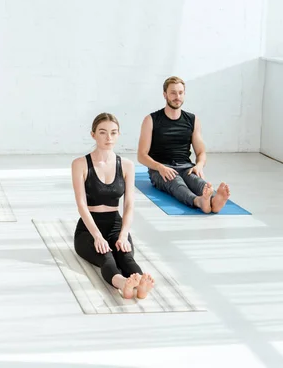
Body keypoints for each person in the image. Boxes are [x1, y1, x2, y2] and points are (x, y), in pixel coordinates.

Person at [72, 113, 154, 299]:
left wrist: (124, 234)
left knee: (125, 256)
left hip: (115, 224)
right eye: (103, 132)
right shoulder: (80, 164)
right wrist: (97, 237)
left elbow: (129, 204)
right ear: (93, 134)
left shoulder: (126, 165)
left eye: (113, 133)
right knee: (107, 257)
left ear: (118, 135)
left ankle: (141, 283)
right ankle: (123, 284)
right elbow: (81, 205)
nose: (108, 138)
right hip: (88, 229)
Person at [137, 76, 230, 213]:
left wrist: (199, 165)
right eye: (173, 93)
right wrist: (160, 167)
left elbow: (201, 152)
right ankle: (199, 201)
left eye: (180, 93)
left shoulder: (193, 120)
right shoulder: (151, 120)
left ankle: (214, 200)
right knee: (177, 184)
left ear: (184, 94)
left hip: (186, 166)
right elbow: (141, 155)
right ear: (165, 95)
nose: (177, 96)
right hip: (161, 169)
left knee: (198, 183)